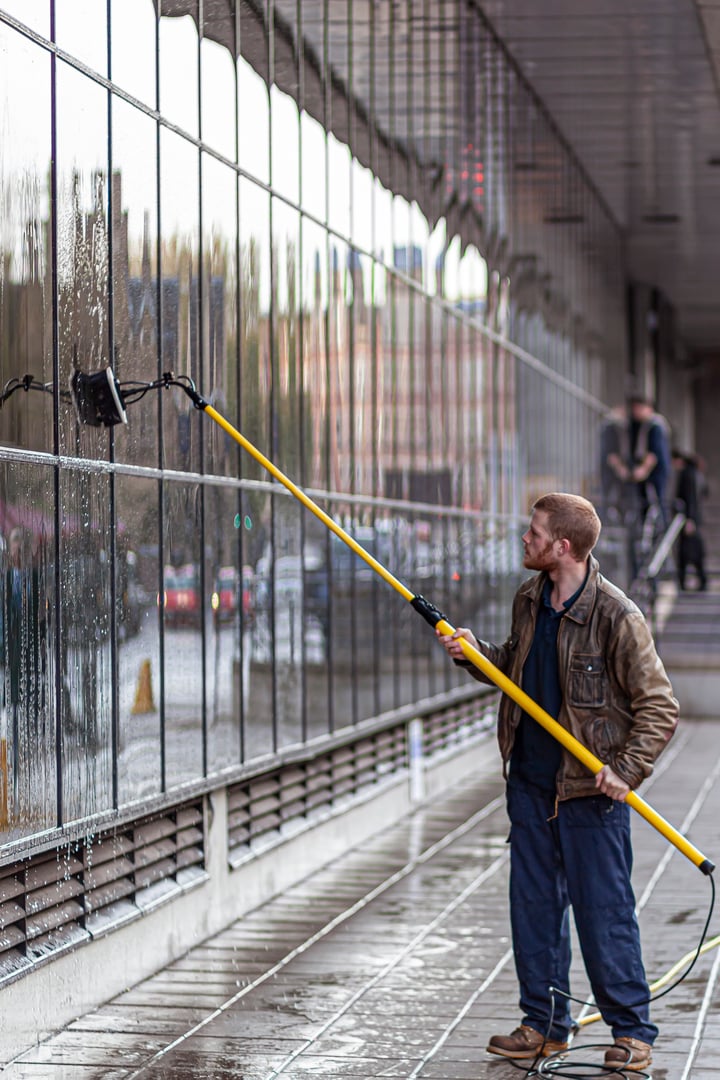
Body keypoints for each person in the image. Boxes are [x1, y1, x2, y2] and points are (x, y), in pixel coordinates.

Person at [437, 492, 678, 1073]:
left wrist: (625, 771)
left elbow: (659, 707)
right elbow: (516, 666)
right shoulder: (530, 598)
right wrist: (475, 654)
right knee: (534, 910)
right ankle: (543, 1027)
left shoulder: (617, 616)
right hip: (530, 785)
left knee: (604, 912)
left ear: (561, 546)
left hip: (588, 792)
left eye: (534, 532)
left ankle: (632, 1032)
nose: (525, 539)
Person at [672, 449, 707, 591]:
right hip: (693, 518)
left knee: (686, 552)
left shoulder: (687, 474)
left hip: (687, 520)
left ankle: (685, 581)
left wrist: (690, 519)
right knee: (694, 551)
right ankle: (697, 580)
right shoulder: (695, 473)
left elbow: (690, 497)